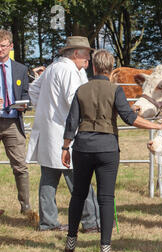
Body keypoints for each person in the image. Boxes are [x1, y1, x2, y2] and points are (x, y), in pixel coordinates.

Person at [62, 49, 162, 252]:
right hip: (107, 148)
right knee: (106, 197)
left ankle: (71, 241)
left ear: (93, 66)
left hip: (83, 147)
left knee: (78, 195)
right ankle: (105, 248)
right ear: (111, 69)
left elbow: (71, 122)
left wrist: (65, 147)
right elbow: (130, 118)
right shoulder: (116, 91)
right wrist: (157, 125)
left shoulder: (81, 90)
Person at [27, 36, 100, 232]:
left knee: (49, 180)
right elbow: (74, 100)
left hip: (49, 131)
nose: (88, 59)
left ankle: (48, 222)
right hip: (66, 133)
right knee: (79, 179)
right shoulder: (68, 70)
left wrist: (44, 109)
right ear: (76, 53)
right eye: (86, 54)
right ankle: (92, 222)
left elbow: (33, 89)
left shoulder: (53, 67)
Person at [0, 29, 38, 225]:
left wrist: (24, 105)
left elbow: (26, 95)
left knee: (20, 167)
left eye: (3, 46)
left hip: (14, 122)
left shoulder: (21, 69)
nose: (0, 49)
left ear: (11, 46)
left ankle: (26, 207)